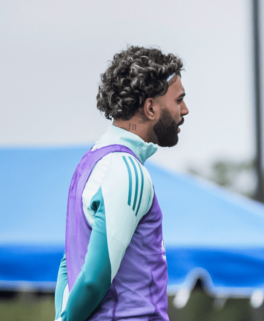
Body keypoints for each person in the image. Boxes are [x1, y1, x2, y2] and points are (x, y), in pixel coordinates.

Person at [53, 46, 188, 321]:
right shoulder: (127, 170)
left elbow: (68, 265)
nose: (185, 110)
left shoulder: (91, 161)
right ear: (151, 107)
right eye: (179, 100)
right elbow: (92, 280)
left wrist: (61, 316)